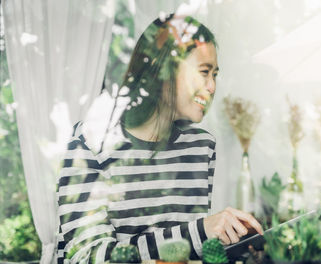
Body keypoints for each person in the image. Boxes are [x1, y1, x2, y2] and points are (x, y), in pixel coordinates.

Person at [56, 14, 263, 263]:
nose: (212, 87)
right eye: (204, 72)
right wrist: (201, 230)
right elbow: (90, 256)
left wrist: (228, 244)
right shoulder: (88, 142)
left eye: (215, 75)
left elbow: (183, 252)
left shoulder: (201, 147)